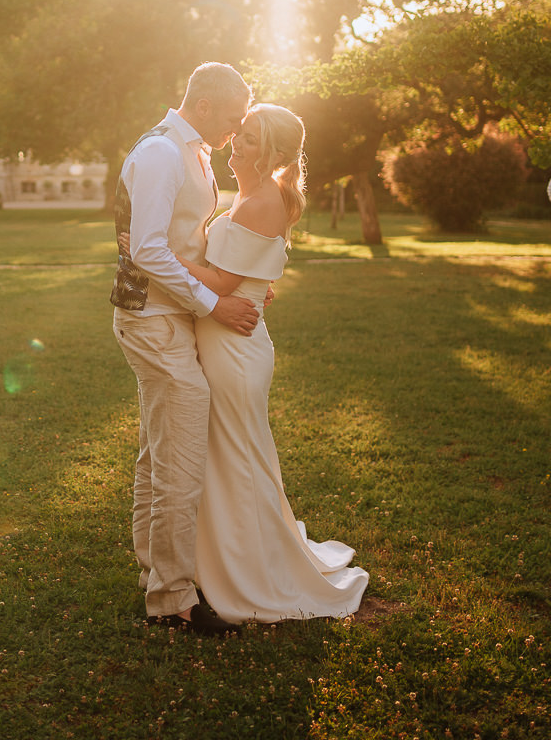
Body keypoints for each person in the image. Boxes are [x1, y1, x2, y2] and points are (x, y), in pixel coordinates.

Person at [183, 103, 369, 622]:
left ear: (274, 154)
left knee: (238, 461)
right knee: (231, 457)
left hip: (234, 349)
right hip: (230, 339)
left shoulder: (261, 200)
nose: (234, 142)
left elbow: (219, 283)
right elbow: (250, 271)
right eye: (238, 132)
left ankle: (251, 575)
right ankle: (224, 559)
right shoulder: (253, 196)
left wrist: (151, 251)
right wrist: (257, 288)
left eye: (248, 137)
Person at [111, 62, 260, 636]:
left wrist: (242, 276)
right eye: (231, 117)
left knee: (159, 452)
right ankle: (173, 599)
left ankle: (156, 572)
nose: (235, 128)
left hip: (168, 318)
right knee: (180, 458)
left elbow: (188, 237)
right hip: (153, 321)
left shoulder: (189, 149)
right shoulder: (160, 154)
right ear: (203, 105)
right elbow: (148, 250)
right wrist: (213, 305)